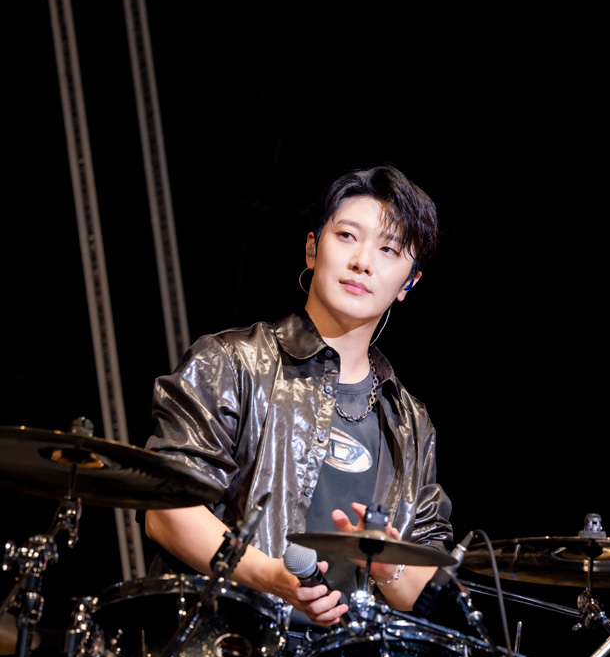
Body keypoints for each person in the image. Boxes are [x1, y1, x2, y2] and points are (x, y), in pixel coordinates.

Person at [144, 165, 452, 627]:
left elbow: (420, 591)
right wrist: (269, 577)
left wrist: (389, 566)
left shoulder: (410, 423)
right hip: (226, 642)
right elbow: (167, 510)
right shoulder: (232, 362)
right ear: (312, 248)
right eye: (347, 236)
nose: (363, 261)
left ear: (409, 282)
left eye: (388, 250)